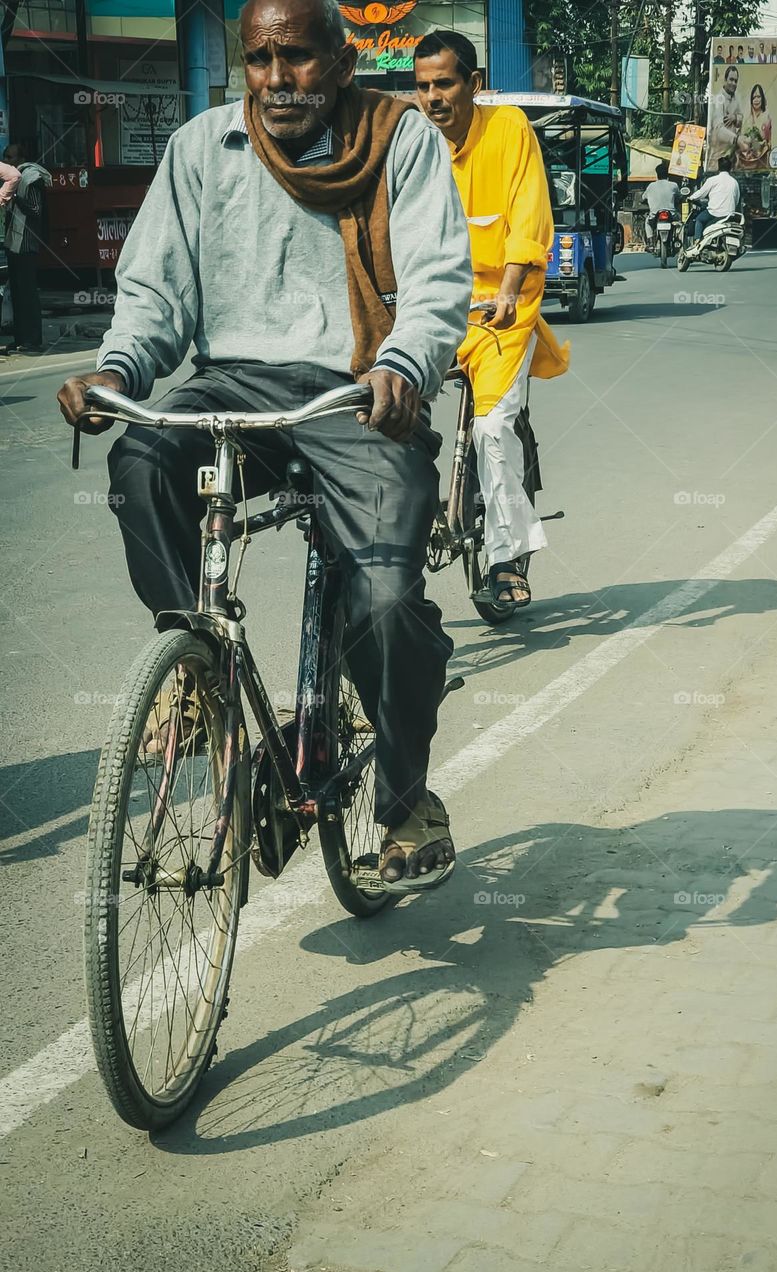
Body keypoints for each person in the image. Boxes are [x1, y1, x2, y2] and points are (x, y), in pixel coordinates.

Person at [57, 0, 474, 894]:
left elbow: (441, 279)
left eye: (298, 58)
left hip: (357, 392)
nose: (278, 80)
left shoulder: (399, 141)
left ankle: (407, 803)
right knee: (139, 460)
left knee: (389, 597)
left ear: (343, 57)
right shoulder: (203, 147)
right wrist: (118, 372)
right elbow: (155, 290)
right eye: (259, 59)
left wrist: (405, 363)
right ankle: (195, 663)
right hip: (234, 383)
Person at [414, 30, 569, 609]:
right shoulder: (415, 145)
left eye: (444, 83)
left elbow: (528, 222)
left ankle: (506, 558)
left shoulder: (509, 131)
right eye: (422, 86)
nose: (432, 97)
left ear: (473, 85)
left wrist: (507, 293)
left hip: (503, 310)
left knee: (491, 429)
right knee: (381, 409)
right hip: (434, 311)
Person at [2, 143, 50, 356]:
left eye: (10, 156)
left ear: (21, 157)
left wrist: (16, 198)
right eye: (5, 156)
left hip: (27, 243)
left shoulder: (31, 177)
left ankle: (33, 339)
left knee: (28, 293)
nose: (8, 160)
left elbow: (36, 210)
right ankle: (20, 338)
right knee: (18, 294)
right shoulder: (14, 177)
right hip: (14, 242)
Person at [688, 156, 741, 244]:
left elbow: (701, 193)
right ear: (730, 168)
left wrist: (691, 198)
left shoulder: (712, 180)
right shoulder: (734, 182)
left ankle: (697, 241)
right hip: (729, 214)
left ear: (718, 167)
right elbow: (737, 200)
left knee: (699, 220)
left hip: (714, 213)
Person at [707, 65, 742, 167]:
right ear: (725, 80)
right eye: (731, 80)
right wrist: (737, 139)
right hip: (718, 158)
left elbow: (741, 117)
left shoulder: (736, 98)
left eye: (736, 81)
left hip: (732, 156)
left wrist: (735, 118)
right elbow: (718, 129)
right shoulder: (718, 99)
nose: (733, 83)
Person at [643, 162, 681, 244]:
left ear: (657, 175)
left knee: (647, 222)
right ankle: (678, 239)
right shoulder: (674, 185)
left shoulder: (651, 186)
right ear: (668, 174)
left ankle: (650, 242)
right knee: (680, 221)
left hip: (654, 214)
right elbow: (679, 196)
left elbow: (643, 197)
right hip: (672, 214)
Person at [737, 83, 772, 167]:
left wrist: (757, 143)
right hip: (745, 160)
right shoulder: (747, 117)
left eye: (758, 97)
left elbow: (768, 141)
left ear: (762, 98)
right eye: (754, 97)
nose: (756, 100)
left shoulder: (766, 116)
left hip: (762, 159)